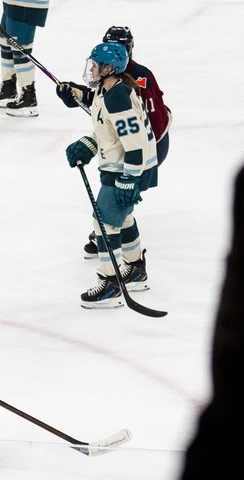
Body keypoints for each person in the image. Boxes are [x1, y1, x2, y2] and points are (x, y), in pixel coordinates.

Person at [57, 26, 173, 260]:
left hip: (148, 147)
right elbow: (100, 103)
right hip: (129, 146)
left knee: (115, 205)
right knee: (118, 206)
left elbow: (136, 128)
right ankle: (132, 263)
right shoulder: (109, 73)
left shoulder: (137, 78)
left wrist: (131, 174)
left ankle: (112, 258)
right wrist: (75, 94)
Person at [64, 42, 158, 308]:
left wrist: (129, 178)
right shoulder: (107, 92)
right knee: (124, 216)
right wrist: (89, 145)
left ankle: (110, 284)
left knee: (104, 222)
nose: (91, 69)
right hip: (120, 166)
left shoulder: (118, 97)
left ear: (109, 69)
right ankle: (136, 269)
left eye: (95, 65)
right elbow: (109, 134)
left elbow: (135, 141)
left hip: (127, 169)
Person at [0, 0, 50, 117]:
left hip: (25, 4)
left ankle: (28, 96)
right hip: (12, 3)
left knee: (19, 44)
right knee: (5, 41)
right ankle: (8, 87)